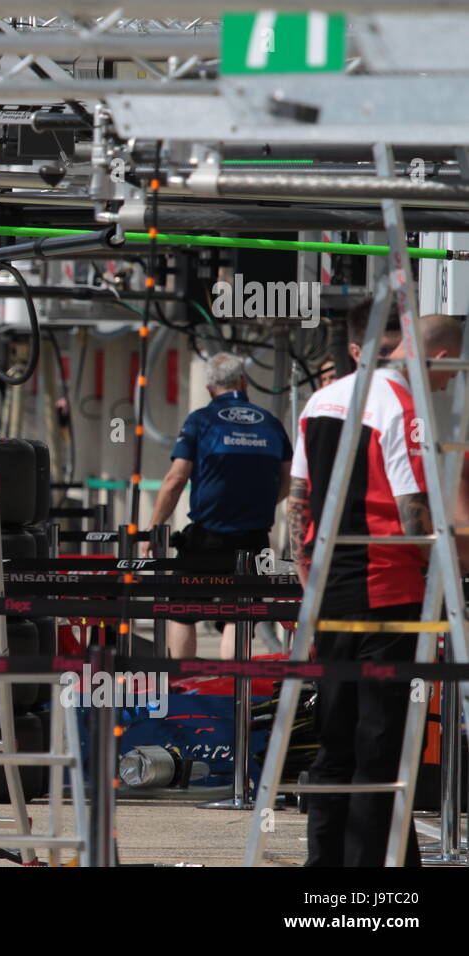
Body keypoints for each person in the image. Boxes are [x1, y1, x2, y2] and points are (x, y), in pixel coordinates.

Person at [288, 311, 467, 868]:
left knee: (334, 739)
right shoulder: (401, 408)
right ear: (439, 359)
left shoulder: (322, 399)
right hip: (387, 594)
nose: (451, 382)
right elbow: (415, 520)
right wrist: (450, 565)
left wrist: (306, 571)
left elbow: (298, 498)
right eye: (454, 371)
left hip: (329, 593)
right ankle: (372, 883)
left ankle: (327, 869)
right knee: (381, 746)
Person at [145, 352, 292, 659]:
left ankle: (181, 690)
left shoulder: (201, 421)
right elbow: (287, 480)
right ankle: (233, 696)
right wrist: (260, 504)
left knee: (182, 611)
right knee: (239, 616)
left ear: (210, 387)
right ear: (243, 381)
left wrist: (154, 526)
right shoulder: (272, 424)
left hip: (206, 538)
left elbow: (175, 478)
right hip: (254, 538)